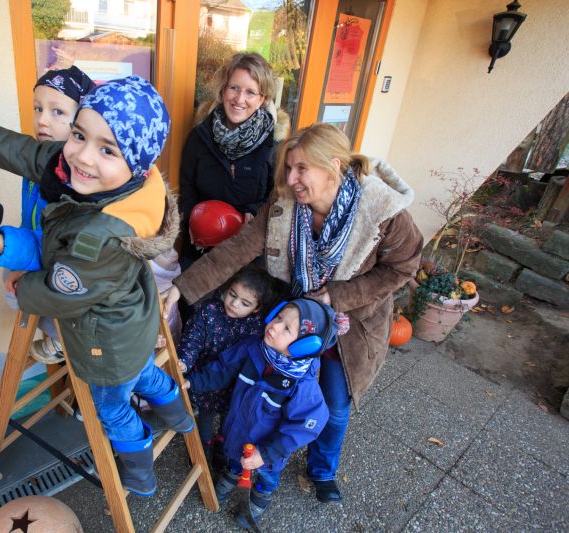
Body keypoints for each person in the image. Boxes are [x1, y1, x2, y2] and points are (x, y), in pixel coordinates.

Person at [0, 76, 189, 497]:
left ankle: (140, 474)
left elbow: (60, 291)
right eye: (79, 134)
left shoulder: (101, 235)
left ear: (135, 162)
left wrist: (20, 282)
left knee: (113, 408)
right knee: (145, 374)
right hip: (136, 322)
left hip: (106, 345)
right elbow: (31, 153)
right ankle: (180, 417)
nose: (82, 156)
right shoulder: (113, 179)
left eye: (107, 149)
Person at [165, 123, 424, 503]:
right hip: (290, 319)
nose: (291, 178)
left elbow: (403, 268)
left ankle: (321, 470)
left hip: (348, 324)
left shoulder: (385, 212)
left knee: (333, 406)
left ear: (333, 166)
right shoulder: (284, 204)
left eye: (301, 169)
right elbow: (237, 249)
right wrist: (181, 287)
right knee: (264, 390)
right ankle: (250, 456)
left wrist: (336, 297)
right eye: (288, 168)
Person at [183, 298, 338, 527]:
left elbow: (306, 425)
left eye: (287, 328)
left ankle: (260, 496)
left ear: (306, 346)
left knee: (267, 475)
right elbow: (222, 370)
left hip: (269, 451)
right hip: (238, 433)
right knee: (235, 457)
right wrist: (191, 382)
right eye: (278, 318)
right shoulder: (253, 349)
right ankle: (232, 473)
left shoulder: (302, 386)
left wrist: (266, 454)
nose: (274, 326)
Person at [0, 66, 96, 364]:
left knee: (19, 292)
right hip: (38, 254)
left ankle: (64, 340)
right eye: (38, 108)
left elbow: (69, 248)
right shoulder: (36, 163)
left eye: (57, 112)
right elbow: (28, 219)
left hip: (64, 268)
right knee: (9, 281)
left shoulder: (78, 175)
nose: (42, 119)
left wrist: (26, 269)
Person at [179, 52, 290, 269]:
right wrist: (191, 219)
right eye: (234, 88)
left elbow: (279, 198)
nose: (239, 99)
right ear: (223, 90)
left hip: (246, 251)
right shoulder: (200, 136)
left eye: (250, 92)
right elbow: (187, 188)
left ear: (262, 99)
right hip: (201, 246)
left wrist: (253, 212)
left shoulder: (274, 145)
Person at [174, 266, 281, 467]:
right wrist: (185, 360)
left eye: (245, 303)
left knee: (230, 418)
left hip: (236, 385)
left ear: (257, 308)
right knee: (205, 416)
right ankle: (203, 446)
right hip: (206, 376)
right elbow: (193, 339)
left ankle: (223, 445)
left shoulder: (257, 327)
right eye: (232, 294)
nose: (234, 304)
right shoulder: (209, 311)